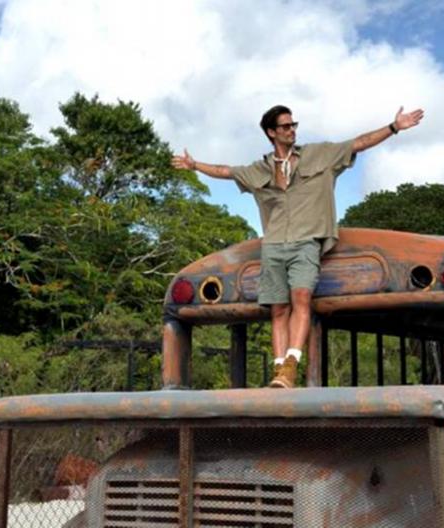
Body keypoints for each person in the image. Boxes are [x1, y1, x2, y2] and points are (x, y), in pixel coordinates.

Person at [171, 105, 424, 388]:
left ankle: (292, 364)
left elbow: (359, 143)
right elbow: (225, 171)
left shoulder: (319, 155)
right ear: (271, 132)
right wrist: (195, 165)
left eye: (294, 125)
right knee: (278, 309)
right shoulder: (259, 170)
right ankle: (279, 370)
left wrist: (393, 127)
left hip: (306, 242)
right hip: (274, 245)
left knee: (301, 296)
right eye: (285, 126)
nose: (292, 130)